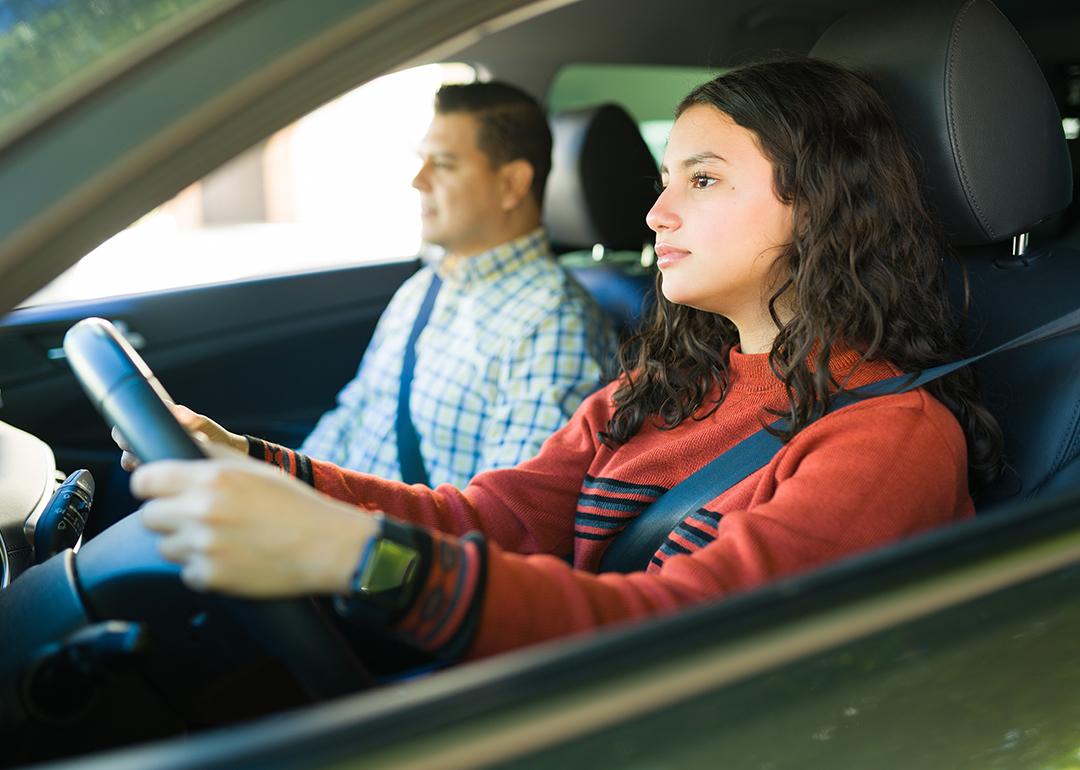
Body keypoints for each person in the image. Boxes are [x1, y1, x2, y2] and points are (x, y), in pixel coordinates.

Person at [124, 59, 1002, 665]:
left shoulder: (888, 438)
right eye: (665, 178)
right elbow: (490, 520)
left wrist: (369, 560)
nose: (654, 213)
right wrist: (262, 467)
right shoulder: (663, 385)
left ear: (822, 208)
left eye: (702, 180)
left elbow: (687, 637)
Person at [299, 80, 618, 486]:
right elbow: (353, 413)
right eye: (422, 160)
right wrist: (279, 483)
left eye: (444, 164)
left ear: (512, 184)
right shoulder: (424, 287)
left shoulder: (553, 325)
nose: (418, 179)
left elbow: (502, 519)